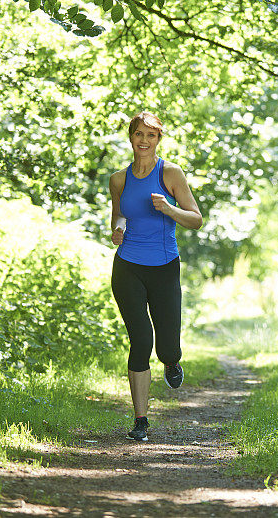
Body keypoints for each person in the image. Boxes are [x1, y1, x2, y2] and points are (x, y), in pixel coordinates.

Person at [108, 111, 203, 442]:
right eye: (139, 134)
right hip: (128, 266)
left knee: (168, 346)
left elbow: (195, 219)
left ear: (158, 140)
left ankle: (172, 362)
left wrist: (169, 209)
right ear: (130, 137)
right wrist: (118, 231)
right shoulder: (119, 179)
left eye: (151, 135)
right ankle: (140, 421)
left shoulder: (170, 173)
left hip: (164, 267)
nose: (144, 141)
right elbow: (118, 216)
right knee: (140, 340)